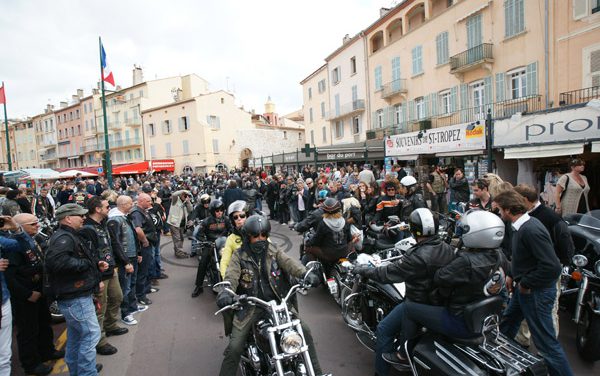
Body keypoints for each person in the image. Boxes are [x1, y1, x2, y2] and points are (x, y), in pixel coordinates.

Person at [391, 210, 510, 367]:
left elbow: (440, 277)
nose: (461, 234)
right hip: (483, 318)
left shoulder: (465, 261)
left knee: (409, 308)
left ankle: (403, 354)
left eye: (465, 230)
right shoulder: (500, 256)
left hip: (459, 321)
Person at [216, 215, 325, 376]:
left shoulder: (273, 250)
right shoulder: (239, 256)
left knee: (305, 331)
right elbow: (231, 276)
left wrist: (305, 274)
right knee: (234, 347)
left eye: (263, 235)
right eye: (255, 236)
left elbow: (290, 263)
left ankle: (317, 372)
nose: (260, 239)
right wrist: (226, 291)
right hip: (251, 306)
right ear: (247, 237)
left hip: (277, 305)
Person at [352, 208, 455, 376]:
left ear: (413, 229)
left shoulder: (416, 256)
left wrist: (362, 269)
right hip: (437, 303)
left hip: (417, 301)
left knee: (384, 329)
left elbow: (386, 274)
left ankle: (381, 373)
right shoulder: (447, 248)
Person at [494, 190, 574, 376]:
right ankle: (502, 363)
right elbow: (524, 257)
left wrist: (526, 283)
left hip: (535, 293)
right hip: (526, 290)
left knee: (546, 345)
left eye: (500, 210)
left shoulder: (530, 230)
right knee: (507, 326)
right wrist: (512, 275)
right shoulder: (523, 226)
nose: (499, 214)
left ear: (508, 210)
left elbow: (552, 267)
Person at [45, 204, 108, 375]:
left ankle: (77, 370)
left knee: (76, 337)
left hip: (75, 295)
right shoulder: (64, 238)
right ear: (67, 218)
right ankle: (87, 372)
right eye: (79, 215)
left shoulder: (67, 236)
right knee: (91, 334)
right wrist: (87, 264)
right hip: (75, 296)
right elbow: (57, 262)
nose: (83, 218)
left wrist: (94, 264)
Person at [4, 214, 62, 376]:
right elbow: (10, 275)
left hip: (40, 289)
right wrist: (27, 294)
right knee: (28, 331)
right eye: (32, 224)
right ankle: (31, 363)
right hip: (26, 295)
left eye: (37, 222)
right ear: (19, 226)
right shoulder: (13, 246)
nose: (37, 226)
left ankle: (47, 351)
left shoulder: (32, 239)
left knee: (44, 323)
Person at [80, 197, 128, 356]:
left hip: (110, 269)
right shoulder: (87, 228)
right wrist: (97, 276)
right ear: (97, 209)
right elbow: (89, 254)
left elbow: (113, 244)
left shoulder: (104, 223)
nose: (109, 208)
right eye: (107, 206)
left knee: (117, 297)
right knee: (100, 306)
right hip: (99, 273)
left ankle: (111, 325)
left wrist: (120, 262)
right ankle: (100, 341)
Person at [107, 196, 142, 326]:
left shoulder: (124, 217)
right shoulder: (115, 219)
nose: (132, 204)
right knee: (125, 286)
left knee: (131, 283)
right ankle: (125, 313)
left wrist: (137, 253)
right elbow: (116, 242)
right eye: (130, 203)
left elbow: (132, 235)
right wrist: (126, 261)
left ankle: (132, 308)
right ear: (123, 204)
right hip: (125, 258)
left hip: (131, 255)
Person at [192, 200, 232, 296]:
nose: (219, 212)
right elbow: (199, 235)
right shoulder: (207, 221)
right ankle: (199, 286)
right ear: (213, 211)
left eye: (221, 210)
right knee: (203, 262)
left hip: (223, 245)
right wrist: (207, 242)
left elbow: (232, 230)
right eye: (217, 210)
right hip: (211, 244)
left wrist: (230, 238)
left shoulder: (226, 220)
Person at [304, 198, 353, 264]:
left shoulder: (323, 223)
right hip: (344, 253)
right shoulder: (344, 221)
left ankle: (316, 270)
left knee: (308, 249)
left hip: (329, 255)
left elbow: (316, 240)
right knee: (351, 243)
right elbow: (349, 239)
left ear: (324, 210)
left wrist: (308, 243)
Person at [129, 193, 157, 306]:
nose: (151, 203)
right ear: (141, 201)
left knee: (147, 268)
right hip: (143, 246)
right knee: (142, 270)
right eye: (148, 201)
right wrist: (145, 240)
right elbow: (138, 229)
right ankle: (141, 295)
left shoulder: (142, 210)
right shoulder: (137, 212)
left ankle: (146, 288)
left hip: (148, 243)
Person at [218, 200, 249, 280]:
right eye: (235, 217)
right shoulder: (231, 238)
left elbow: (271, 250)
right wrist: (226, 281)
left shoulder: (257, 232)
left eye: (242, 216)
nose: (239, 219)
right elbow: (225, 262)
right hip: (242, 276)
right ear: (233, 220)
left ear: (247, 216)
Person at [166, 190, 193, 259]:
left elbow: (190, 210)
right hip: (174, 223)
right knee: (177, 238)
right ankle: (179, 253)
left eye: (186, 195)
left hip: (182, 224)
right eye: (184, 195)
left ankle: (178, 251)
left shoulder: (186, 202)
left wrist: (188, 201)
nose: (185, 196)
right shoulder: (175, 199)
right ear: (181, 194)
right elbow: (174, 194)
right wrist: (183, 191)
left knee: (181, 238)